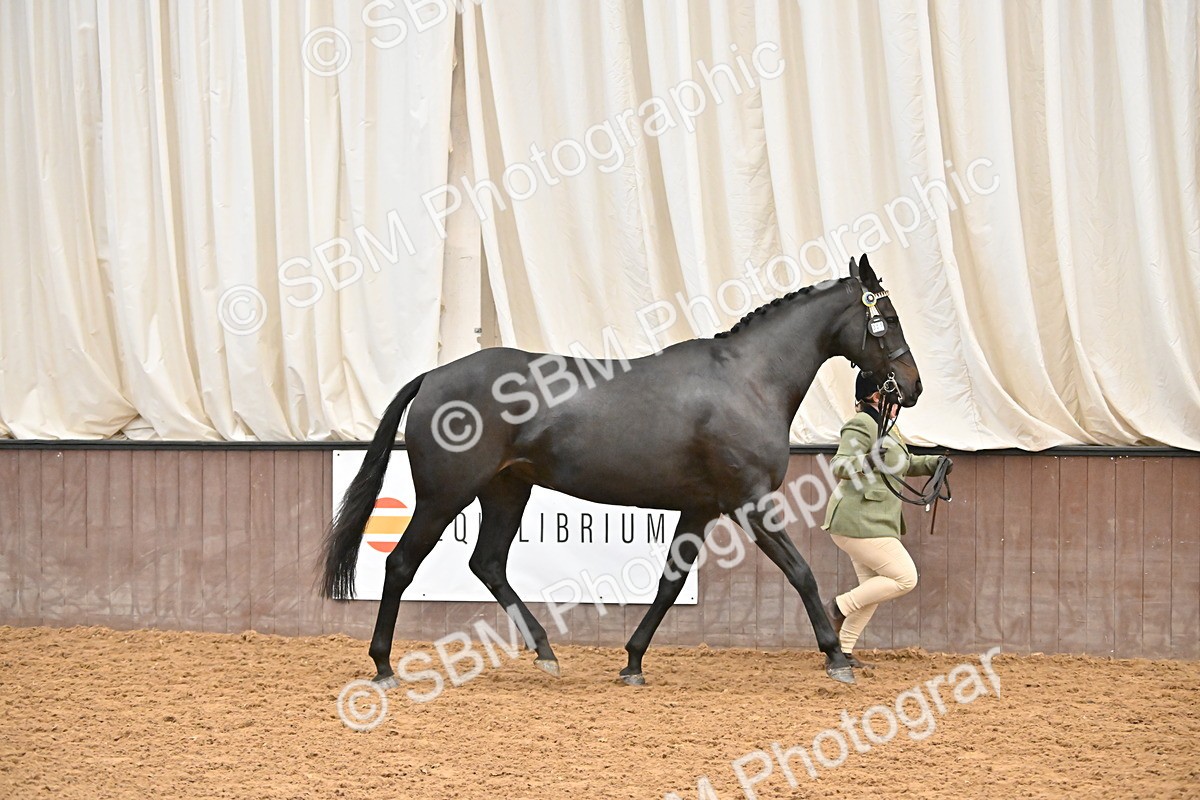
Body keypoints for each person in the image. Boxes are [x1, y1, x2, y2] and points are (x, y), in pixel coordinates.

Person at [821, 371, 951, 667]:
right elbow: (840, 464)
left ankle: (840, 653)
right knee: (905, 577)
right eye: (893, 400)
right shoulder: (862, 424)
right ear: (876, 398)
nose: (898, 406)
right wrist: (867, 460)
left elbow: (901, 465)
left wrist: (934, 464)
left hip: (874, 521)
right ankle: (837, 607)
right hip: (858, 520)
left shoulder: (888, 429)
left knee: (873, 590)